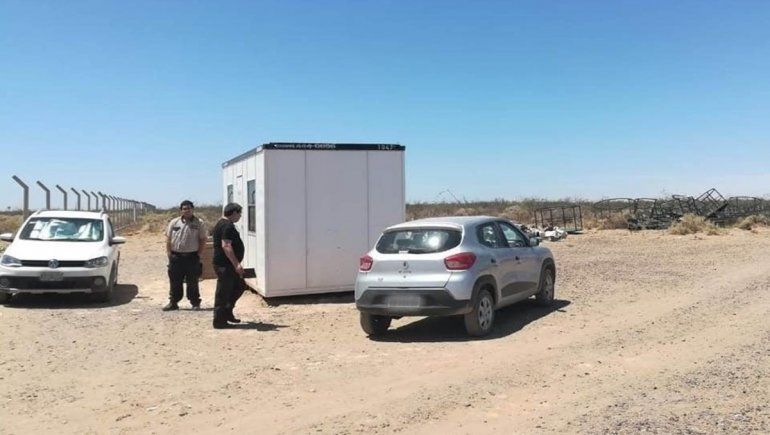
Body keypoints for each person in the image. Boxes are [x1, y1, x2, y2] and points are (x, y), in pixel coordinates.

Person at [163, 200, 208, 311]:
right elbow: (168, 239)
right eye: (184, 208)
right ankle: (173, 302)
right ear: (181, 210)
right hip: (176, 257)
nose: (186, 210)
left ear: (192, 209)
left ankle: (195, 303)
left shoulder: (199, 223)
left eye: (188, 208)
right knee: (175, 281)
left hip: (192, 257)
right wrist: (169, 254)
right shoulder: (174, 222)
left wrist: (199, 254)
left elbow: (203, 239)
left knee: (192, 281)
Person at [211, 202, 246, 329]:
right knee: (223, 293)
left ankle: (227, 312)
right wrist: (237, 265)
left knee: (239, 286)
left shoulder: (225, 224)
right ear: (234, 213)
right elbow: (226, 246)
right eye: (240, 213)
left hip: (227, 265)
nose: (240, 216)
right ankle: (219, 321)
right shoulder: (227, 226)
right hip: (225, 265)